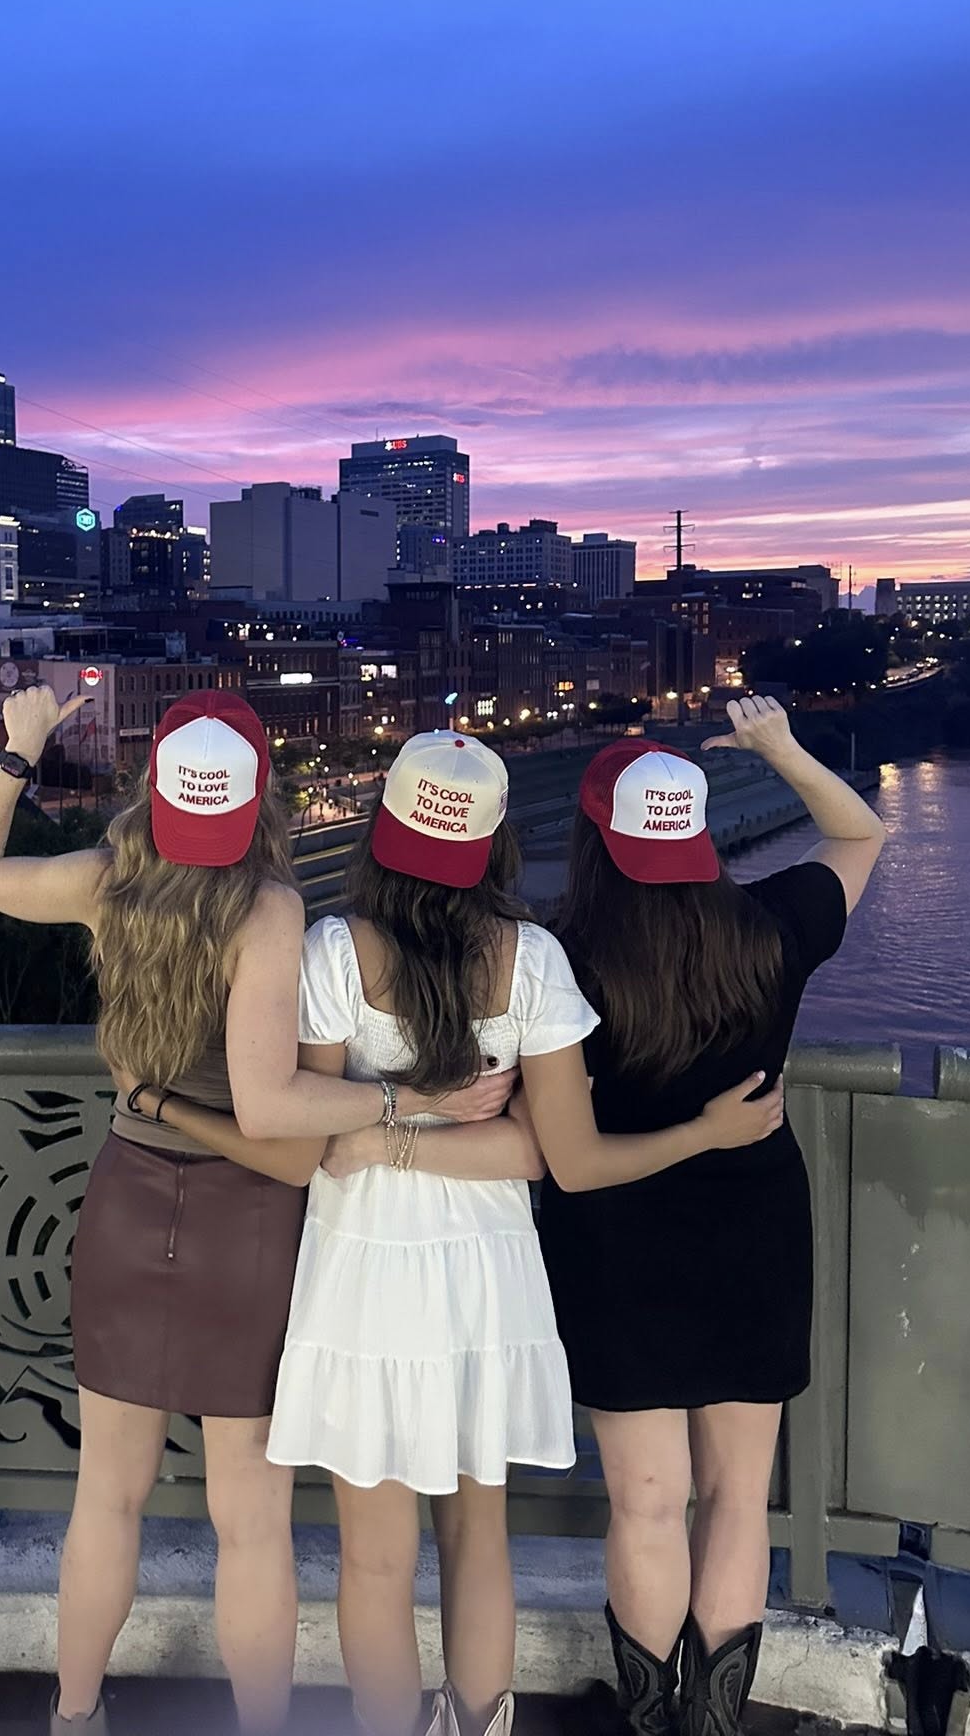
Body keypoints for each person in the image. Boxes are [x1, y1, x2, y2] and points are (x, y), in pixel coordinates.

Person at [256, 730, 785, 1736]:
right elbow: (546, 1153)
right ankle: (483, 1723)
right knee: (476, 1534)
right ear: (497, 842)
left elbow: (319, 1135)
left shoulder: (334, 950)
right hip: (489, 1276)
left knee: (373, 1555)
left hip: (360, 1277)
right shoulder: (530, 957)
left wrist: (383, 1127)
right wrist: (456, 1121)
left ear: (383, 829)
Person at [0, 685, 319, 1735]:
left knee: (105, 1494)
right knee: (251, 1517)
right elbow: (266, 1102)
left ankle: (75, 1715)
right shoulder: (270, 908)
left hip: (124, 1196)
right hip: (245, 1217)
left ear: (155, 790)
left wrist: (20, 751)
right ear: (259, 795)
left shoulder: (108, 883)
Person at [536, 699, 886, 1736]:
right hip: (754, 1229)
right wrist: (780, 748)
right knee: (738, 1496)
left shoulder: (560, 959)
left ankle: (649, 1721)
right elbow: (862, 831)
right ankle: (714, 1726)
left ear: (595, 841)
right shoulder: (773, 928)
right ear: (691, 833)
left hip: (615, 1238)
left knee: (647, 1502)